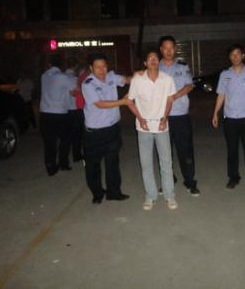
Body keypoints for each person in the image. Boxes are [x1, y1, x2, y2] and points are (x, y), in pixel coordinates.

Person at [127, 50, 178, 211]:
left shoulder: (167, 79)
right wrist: (140, 119)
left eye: (155, 58)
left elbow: (170, 100)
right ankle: (150, 196)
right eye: (150, 58)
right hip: (144, 127)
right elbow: (129, 101)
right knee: (146, 164)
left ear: (159, 61)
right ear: (145, 63)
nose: (153, 60)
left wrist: (165, 118)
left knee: (166, 163)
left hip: (162, 126)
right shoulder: (137, 80)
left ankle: (169, 195)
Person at [81, 54, 131, 204]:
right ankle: (97, 193)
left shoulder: (111, 77)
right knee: (92, 165)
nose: (102, 70)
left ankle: (114, 192)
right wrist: (122, 102)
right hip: (95, 133)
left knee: (112, 163)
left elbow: (127, 80)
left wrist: (144, 74)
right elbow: (100, 104)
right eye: (98, 67)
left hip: (113, 129)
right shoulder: (88, 84)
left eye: (104, 66)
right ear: (91, 68)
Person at [212, 44, 245, 190]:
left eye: (238, 54)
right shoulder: (224, 74)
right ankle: (233, 177)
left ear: (243, 56)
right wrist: (215, 113)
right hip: (230, 118)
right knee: (232, 150)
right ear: (229, 57)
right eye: (232, 54)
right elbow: (221, 95)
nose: (235, 57)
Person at [158, 35, 200, 196]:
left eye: (171, 48)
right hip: (162, 116)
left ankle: (190, 182)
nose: (169, 51)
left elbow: (189, 85)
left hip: (181, 115)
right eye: (165, 48)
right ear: (161, 50)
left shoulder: (182, 66)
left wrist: (174, 96)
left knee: (185, 151)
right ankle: (168, 180)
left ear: (175, 49)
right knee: (164, 152)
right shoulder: (156, 67)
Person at [39, 54, 76, 175]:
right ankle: (63, 163)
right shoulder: (63, 77)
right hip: (59, 114)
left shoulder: (44, 76)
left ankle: (50, 167)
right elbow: (74, 91)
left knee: (49, 142)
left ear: (49, 64)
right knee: (66, 139)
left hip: (45, 114)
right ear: (62, 65)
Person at [64, 57, 84, 162]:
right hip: (74, 109)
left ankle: (64, 159)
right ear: (75, 66)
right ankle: (76, 155)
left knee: (66, 135)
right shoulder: (75, 79)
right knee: (77, 134)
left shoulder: (61, 77)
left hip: (63, 109)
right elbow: (77, 93)